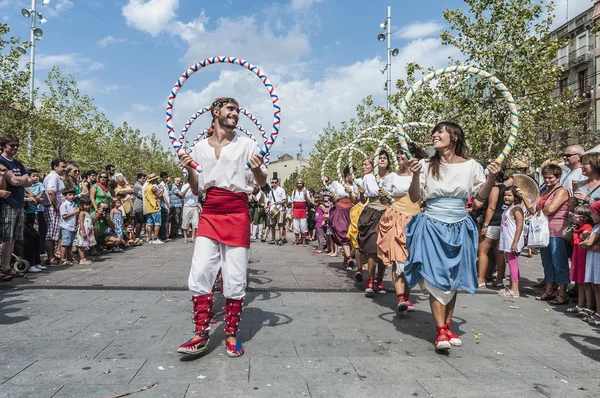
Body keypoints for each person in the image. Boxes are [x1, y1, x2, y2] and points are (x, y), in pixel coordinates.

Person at [177, 96, 266, 357]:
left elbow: (259, 181)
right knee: (201, 269)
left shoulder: (247, 144)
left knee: (235, 275)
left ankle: (230, 333)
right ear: (216, 112)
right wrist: (189, 169)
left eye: (238, 110)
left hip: (237, 212)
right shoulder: (199, 148)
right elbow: (196, 188)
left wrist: (259, 169)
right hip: (211, 212)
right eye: (230, 109)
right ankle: (201, 332)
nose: (236, 114)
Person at [404, 121, 500, 350]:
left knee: (453, 279)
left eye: (440, 131)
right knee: (437, 278)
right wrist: (415, 176)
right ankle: (439, 331)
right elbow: (415, 197)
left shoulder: (472, 165)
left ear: (454, 137)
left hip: (460, 226)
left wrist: (491, 178)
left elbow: (480, 197)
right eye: (434, 131)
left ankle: (447, 326)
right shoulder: (426, 165)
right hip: (432, 225)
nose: (434, 135)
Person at [377, 143, 427, 312]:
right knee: (397, 258)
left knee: (411, 260)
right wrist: (384, 197)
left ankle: (407, 295)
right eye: (397, 153)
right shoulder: (392, 177)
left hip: (416, 219)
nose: (398, 156)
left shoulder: (422, 175)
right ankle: (400, 298)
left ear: (412, 156)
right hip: (396, 218)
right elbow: (385, 201)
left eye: (402, 153)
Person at [525, 163, 570, 304]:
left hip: (557, 231)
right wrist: (525, 198)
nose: (547, 180)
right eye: (545, 178)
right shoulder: (544, 192)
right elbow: (533, 209)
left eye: (550, 178)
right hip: (543, 232)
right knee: (547, 262)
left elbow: (550, 209)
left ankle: (562, 293)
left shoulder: (562, 191)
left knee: (559, 262)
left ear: (558, 177)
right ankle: (549, 289)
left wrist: (537, 213)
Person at [358, 152, 391, 297]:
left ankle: (380, 280)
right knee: (372, 247)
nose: (382, 160)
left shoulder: (393, 177)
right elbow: (363, 200)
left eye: (385, 158)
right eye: (380, 158)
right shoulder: (368, 177)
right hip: (371, 213)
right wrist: (360, 193)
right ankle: (370, 280)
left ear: (389, 162)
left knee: (383, 249)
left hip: (386, 214)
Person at [476, 168, 509, 288]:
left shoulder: (494, 189)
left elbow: (491, 207)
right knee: (499, 253)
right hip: (502, 223)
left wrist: (485, 224)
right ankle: (499, 279)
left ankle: (480, 279)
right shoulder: (506, 188)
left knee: (482, 251)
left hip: (493, 222)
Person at [0, 136, 25, 281]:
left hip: (19, 203)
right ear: (3, 146)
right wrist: (21, 180)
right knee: (5, 237)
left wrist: (21, 180)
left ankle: (6, 266)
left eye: (17, 145)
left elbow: (27, 181)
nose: (15, 148)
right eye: (12, 145)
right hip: (7, 203)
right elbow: (15, 181)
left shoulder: (17, 163)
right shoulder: (2, 161)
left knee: (12, 238)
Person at [328, 166, 359, 270]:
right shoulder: (337, 184)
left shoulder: (356, 185)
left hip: (352, 211)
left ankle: (347, 259)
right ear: (347, 175)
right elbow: (331, 199)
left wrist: (350, 192)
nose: (355, 176)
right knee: (343, 233)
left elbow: (356, 201)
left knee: (350, 236)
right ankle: (349, 258)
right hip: (340, 210)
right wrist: (331, 195)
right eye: (353, 174)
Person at [497, 186, 525, 298]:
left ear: (515, 196)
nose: (506, 197)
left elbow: (520, 226)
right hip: (507, 239)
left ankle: (515, 289)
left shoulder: (516, 209)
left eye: (509, 195)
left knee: (513, 264)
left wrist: (515, 242)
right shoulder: (508, 209)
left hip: (512, 240)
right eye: (505, 195)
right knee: (512, 263)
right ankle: (511, 286)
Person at [566, 205, 594, 314]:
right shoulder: (578, 228)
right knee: (580, 283)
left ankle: (589, 307)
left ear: (583, 217)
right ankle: (580, 305)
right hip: (578, 259)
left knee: (586, 284)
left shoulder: (587, 230)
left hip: (584, 261)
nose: (573, 216)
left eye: (575, 214)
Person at [579, 201, 600, 325]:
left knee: (598, 286)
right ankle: (596, 311)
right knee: (596, 286)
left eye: (593, 213)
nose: (591, 216)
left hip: (598, 260)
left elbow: (587, 243)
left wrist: (584, 244)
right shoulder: (596, 226)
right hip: (594, 259)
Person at [43, 159, 66, 265]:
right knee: (51, 233)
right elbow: (51, 192)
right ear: (55, 167)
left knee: (57, 233)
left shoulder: (58, 177)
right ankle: (51, 257)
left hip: (58, 207)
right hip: (52, 207)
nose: (64, 169)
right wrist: (56, 204)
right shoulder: (53, 177)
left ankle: (55, 255)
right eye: (62, 167)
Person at [59, 188, 79, 265]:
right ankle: (62, 258)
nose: (72, 196)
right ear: (65, 196)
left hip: (72, 226)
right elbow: (64, 216)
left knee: (70, 243)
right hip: (66, 226)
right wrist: (75, 212)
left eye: (73, 195)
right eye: (69, 195)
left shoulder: (74, 204)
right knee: (65, 243)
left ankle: (69, 257)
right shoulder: (64, 205)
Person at [75, 197, 96, 265]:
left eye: (89, 205)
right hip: (83, 231)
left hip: (88, 231)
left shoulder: (87, 213)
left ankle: (84, 257)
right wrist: (83, 231)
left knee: (84, 245)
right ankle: (82, 259)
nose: (88, 206)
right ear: (81, 205)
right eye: (86, 205)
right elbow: (81, 222)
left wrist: (92, 231)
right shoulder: (82, 213)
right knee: (81, 245)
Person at [144, 173, 163, 244]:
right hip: (155, 207)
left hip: (148, 207)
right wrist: (162, 190)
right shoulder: (153, 187)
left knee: (149, 223)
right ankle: (155, 238)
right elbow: (159, 196)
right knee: (157, 223)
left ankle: (149, 237)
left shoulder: (146, 187)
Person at [267, 178, 287, 245]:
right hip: (273, 209)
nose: (274, 184)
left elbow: (284, 200)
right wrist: (268, 208)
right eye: (273, 183)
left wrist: (279, 203)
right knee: (272, 225)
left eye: (275, 182)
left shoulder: (281, 190)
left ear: (278, 183)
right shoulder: (271, 191)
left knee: (280, 225)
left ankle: (281, 238)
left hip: (279, 209)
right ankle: (273, 239)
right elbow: (269, 201)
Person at [291, 178, 309, 246]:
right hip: (296, 210)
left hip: (303, 210)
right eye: (298, 183)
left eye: (300, 183)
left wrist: (305, 194)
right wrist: (292, 212)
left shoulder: (305, 191)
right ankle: (297, 240)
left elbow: (308, 201)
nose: (299, 185)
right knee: (296, 226)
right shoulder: (294, 191)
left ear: (302, 184)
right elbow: (293, 202)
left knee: (303, 226)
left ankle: (303, 240)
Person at [158, 172, 171, 241]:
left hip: (166, 205)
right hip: (163, 206)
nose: (166, 178)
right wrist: (168, 206)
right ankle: (162, 236)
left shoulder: (166, 185)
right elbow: (162, 197)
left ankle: (165, 235)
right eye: (164, 177)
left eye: (167, 177)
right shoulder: (161, 185)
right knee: (163, 222)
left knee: (165, 221)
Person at [132, 173, 146, 239]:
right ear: (138, 178)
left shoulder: (142, 185)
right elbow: (141, 195)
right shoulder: (137, 186)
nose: (144, 180)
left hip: (142, 206)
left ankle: (138, 235)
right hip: (138, 206)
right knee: (139, 222)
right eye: (143, 178)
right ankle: (137, 236)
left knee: (142, 221)